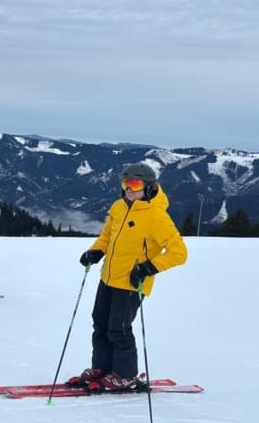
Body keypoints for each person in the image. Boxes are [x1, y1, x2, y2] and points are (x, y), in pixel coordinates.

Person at [71, 163, 188, 391]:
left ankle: (125, 375)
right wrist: (96, 251)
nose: (128, 189)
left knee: (119, 329)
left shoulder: (156, 216)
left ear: (149, 187)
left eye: (134, 184)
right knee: (100, 324)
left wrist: (148, 268)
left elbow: (179, 252)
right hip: (108, 277)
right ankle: (102, 368)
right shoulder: (118, 207)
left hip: (132, 283)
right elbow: (107, 236)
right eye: (125, 184)